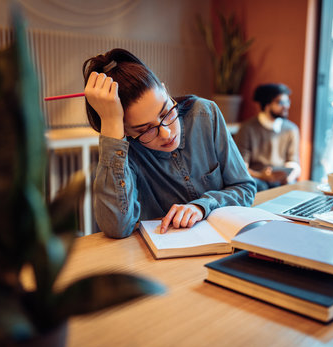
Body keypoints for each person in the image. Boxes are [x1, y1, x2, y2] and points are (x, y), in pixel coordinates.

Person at [83, 48, 256, 238]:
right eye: (144, 130)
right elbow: (116, 227)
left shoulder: (205, 114)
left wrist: (202, 206)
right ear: (125, 131)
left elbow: (245, 188)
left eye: (166, 112)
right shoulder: (127, 149)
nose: (165, 133)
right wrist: (111, 126)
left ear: (166, 91)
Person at [235, 83, 301, 191]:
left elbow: (294, 162)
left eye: (287, 101)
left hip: (281, 180)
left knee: (292, 188)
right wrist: (262, 176)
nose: (286, 106)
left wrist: (289, 177)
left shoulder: (291, 129)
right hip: (256, 178)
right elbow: (241, 167)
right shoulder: (247, 128)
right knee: (259, 186)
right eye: (280, 102)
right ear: (266, 105)